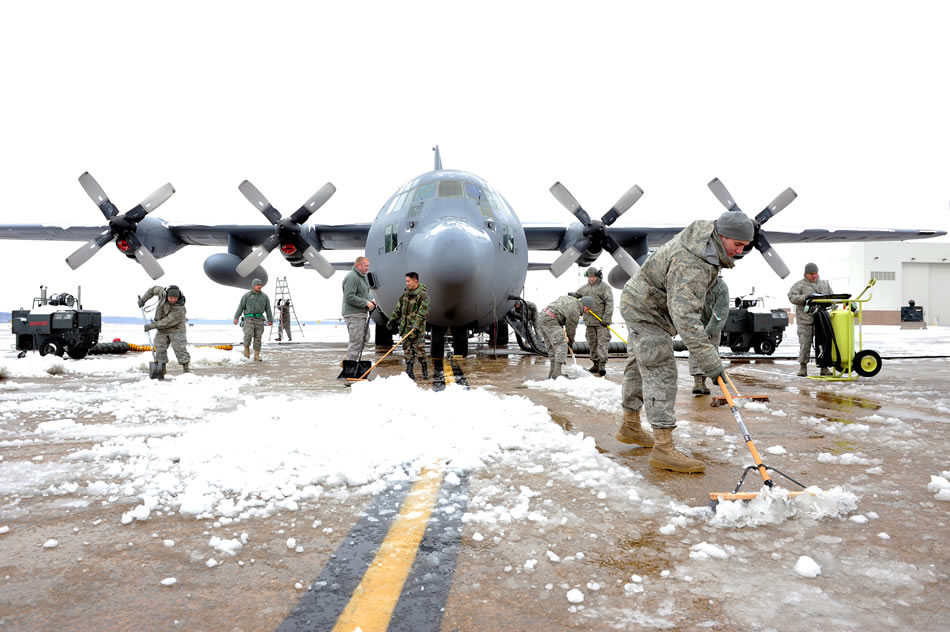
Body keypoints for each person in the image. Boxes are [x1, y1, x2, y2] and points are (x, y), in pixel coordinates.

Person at [619, 210, 754, 473]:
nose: (740, 252)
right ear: (722, 235)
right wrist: (710, 362)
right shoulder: (692, 263)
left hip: (644, 304)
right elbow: (686, 318)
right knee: (660, 367)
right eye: (738, 245)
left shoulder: (706, 240)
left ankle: (630, 425)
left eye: (745, 246)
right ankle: (664, 449)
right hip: (646, 311)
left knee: (639, 364)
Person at [681, 275, 729, 395]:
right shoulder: (692, 284)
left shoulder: (721, 288)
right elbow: (684, 307)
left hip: (713, 322)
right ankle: (698, 382)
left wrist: (708, 332)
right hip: (695, 321)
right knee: (696, 350)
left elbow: (720, 314)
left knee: (711, 350)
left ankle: (709, 376)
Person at [787, 262, 834, 377]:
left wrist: (834, 308)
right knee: (805, 345)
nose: (814, 276)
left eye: (816, 273)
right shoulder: (799, 285)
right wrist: (805, 297)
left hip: (822, 320)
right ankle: (803, 367)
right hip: (805, 322)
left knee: (823, 344)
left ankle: (824, 367)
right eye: (811, 274)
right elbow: (791, 297)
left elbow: (832, 297)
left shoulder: (824, 284)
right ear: (806, 274)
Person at [536, 295, 595, 379]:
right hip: (551, 320)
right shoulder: (575, 311)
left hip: (542, 317)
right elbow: (571, 330)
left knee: (552, 347)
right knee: (562, 345)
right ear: (584, 304)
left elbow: (560, 302)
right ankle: (557, 373)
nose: (587, 312)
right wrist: (570, 342)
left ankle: (552, 372)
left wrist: (560, 320)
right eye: (588, 309)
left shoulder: (571, 300)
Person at [570, 267, 614, 377]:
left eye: (593, 277)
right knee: (592, 343)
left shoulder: (604, 288)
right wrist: (573, 295)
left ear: (598, 276)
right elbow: (577, 294)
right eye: (589, 277)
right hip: (589, 322)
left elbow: (610, 304)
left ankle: (602, 366)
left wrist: (606, 319)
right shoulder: (585, 288)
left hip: (601, 323)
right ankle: (595, 364)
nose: (591, 279)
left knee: (602, 344)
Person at [139, 284, 190, 373]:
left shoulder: (180, 308)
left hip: (176, 328)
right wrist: (143, 300)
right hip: (162, 329)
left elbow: (166, 321)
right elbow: (152, 290)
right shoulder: (162, 293)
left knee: (180, 349)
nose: (173, 300)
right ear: (166, 295)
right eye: (171, 297)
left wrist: (151, 326)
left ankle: (186, 370)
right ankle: (161, 369)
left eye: (175, 298)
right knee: (159, 347)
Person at [388, 272, 429, 380]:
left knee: (420, 351)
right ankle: (409, 370)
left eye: (408, 281)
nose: (407, 283)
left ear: (415, 281)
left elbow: (423, 312)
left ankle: (424, 369)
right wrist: (392, 319)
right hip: (406, 328)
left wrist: (416, 325)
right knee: (407, 350)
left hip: (417, 329)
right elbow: (398, 309)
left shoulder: (423, 295)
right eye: (406, 281)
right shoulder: (405, 295)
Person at [341, 256, 376, 360]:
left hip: (361, 314)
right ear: (358, 265)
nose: (367, 268)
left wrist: (370, 301)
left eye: (368, 266)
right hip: (353, 315)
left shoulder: (363, 277)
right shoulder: (352, 277)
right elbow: (349, 296)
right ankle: (350, 365)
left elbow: (364, 294)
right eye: (366, 266)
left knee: (364, 339)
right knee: (356, 341)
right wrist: (365, 303)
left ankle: (351, 361)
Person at [233, 278, 273, 362]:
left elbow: (268, 309)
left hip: (260, 319)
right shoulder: (247, 295)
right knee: (248, 335)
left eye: (260, 285)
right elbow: (241, 307)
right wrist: (236, 317)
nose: (260, 286)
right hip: (248, 318)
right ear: (253, 285)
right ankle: (246, 351)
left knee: (258, 337)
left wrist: (270, 319)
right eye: (258, 285)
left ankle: (256, 355)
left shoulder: (264, 297)